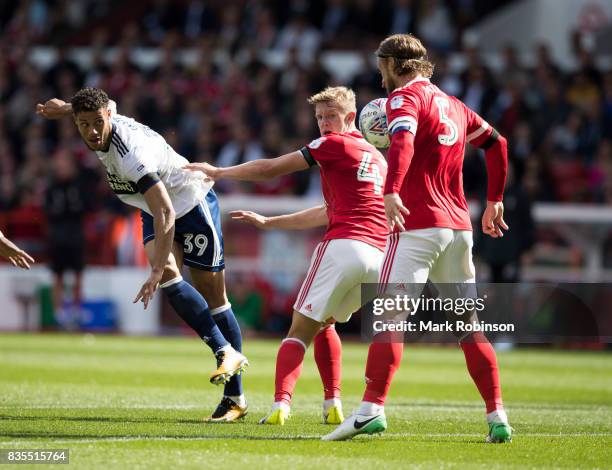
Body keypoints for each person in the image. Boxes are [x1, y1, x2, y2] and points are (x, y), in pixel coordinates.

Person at [324, 34, 513, 443]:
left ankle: (371, 409)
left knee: (390, 317)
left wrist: (391, 188)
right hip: (459, 228)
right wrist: (495, 201)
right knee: (469, 326)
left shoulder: (403, 99)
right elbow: (498, 144)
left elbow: (404, 140)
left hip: (418, 224)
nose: (380, 77)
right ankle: (497, 416)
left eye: (381, 68)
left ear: (394, 64)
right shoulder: (455, 104)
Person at [36, 88, 249, 422]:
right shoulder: (98, 116)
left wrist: (153, 271)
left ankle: (234, 396)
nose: (91, 131)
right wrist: (63, 108)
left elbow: (166, 211)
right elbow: (91, 109)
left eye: (96, 123)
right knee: (167, 274)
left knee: (214, 297)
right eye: (83, 124)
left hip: (190, 201)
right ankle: (225, 351)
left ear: (108, 116)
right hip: (152, 205)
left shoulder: (131, 155)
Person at [186, 86, 388, 425]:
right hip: (379, 257)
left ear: (351, 118)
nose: (324, 123)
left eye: (331, 116)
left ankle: (281, 405)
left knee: (297, 330)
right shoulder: (376, 158)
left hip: (344, 246)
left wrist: (219, 173)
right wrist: (269, 222)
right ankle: (332, 402)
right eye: (320, 117)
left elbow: (271, 169)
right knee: (326, 324)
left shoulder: (331, 144)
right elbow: (328, 211)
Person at [44, 151, 88, 327]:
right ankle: (59, 314)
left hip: (76, 237)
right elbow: (48, 211)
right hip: (57, 238)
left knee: (78, 276)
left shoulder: (79, 186)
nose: (61, 168)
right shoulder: (52, 187)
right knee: (57, 276)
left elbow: (85, 207)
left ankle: (77, 312)